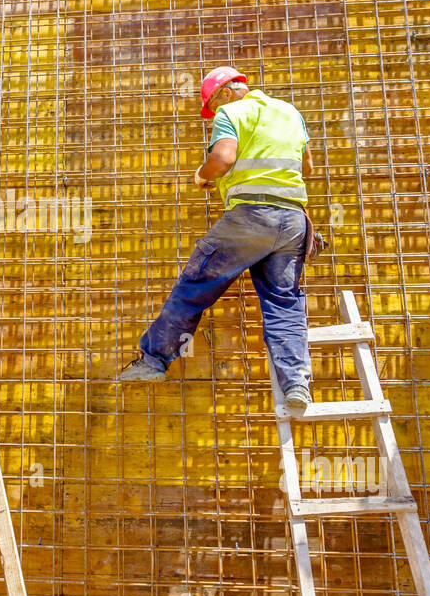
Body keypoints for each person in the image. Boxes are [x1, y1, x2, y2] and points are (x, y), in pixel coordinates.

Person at [116, 65, 318, 414]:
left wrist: (203, 175)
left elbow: (222, 158)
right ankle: (297, 382)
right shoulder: (290, 112)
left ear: (224, 93)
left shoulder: (232, 111)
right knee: (283, 303)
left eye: (213, 103)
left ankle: (152, 362)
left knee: (194, 286)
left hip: (250, 218)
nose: (214, 111)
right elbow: (307, 167)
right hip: (293, 221)